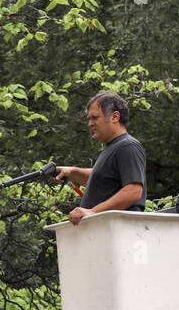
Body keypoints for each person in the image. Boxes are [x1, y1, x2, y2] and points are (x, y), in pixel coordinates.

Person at [56, 92, 146, 226]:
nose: (90, 124)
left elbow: (133, 191)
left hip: (120, 233)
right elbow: (102, 181)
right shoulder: (113, 148)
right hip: (105, 234)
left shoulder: (127, 146)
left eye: (95, 118)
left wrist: (93, 211)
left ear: (115, 117)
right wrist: (71, 172)